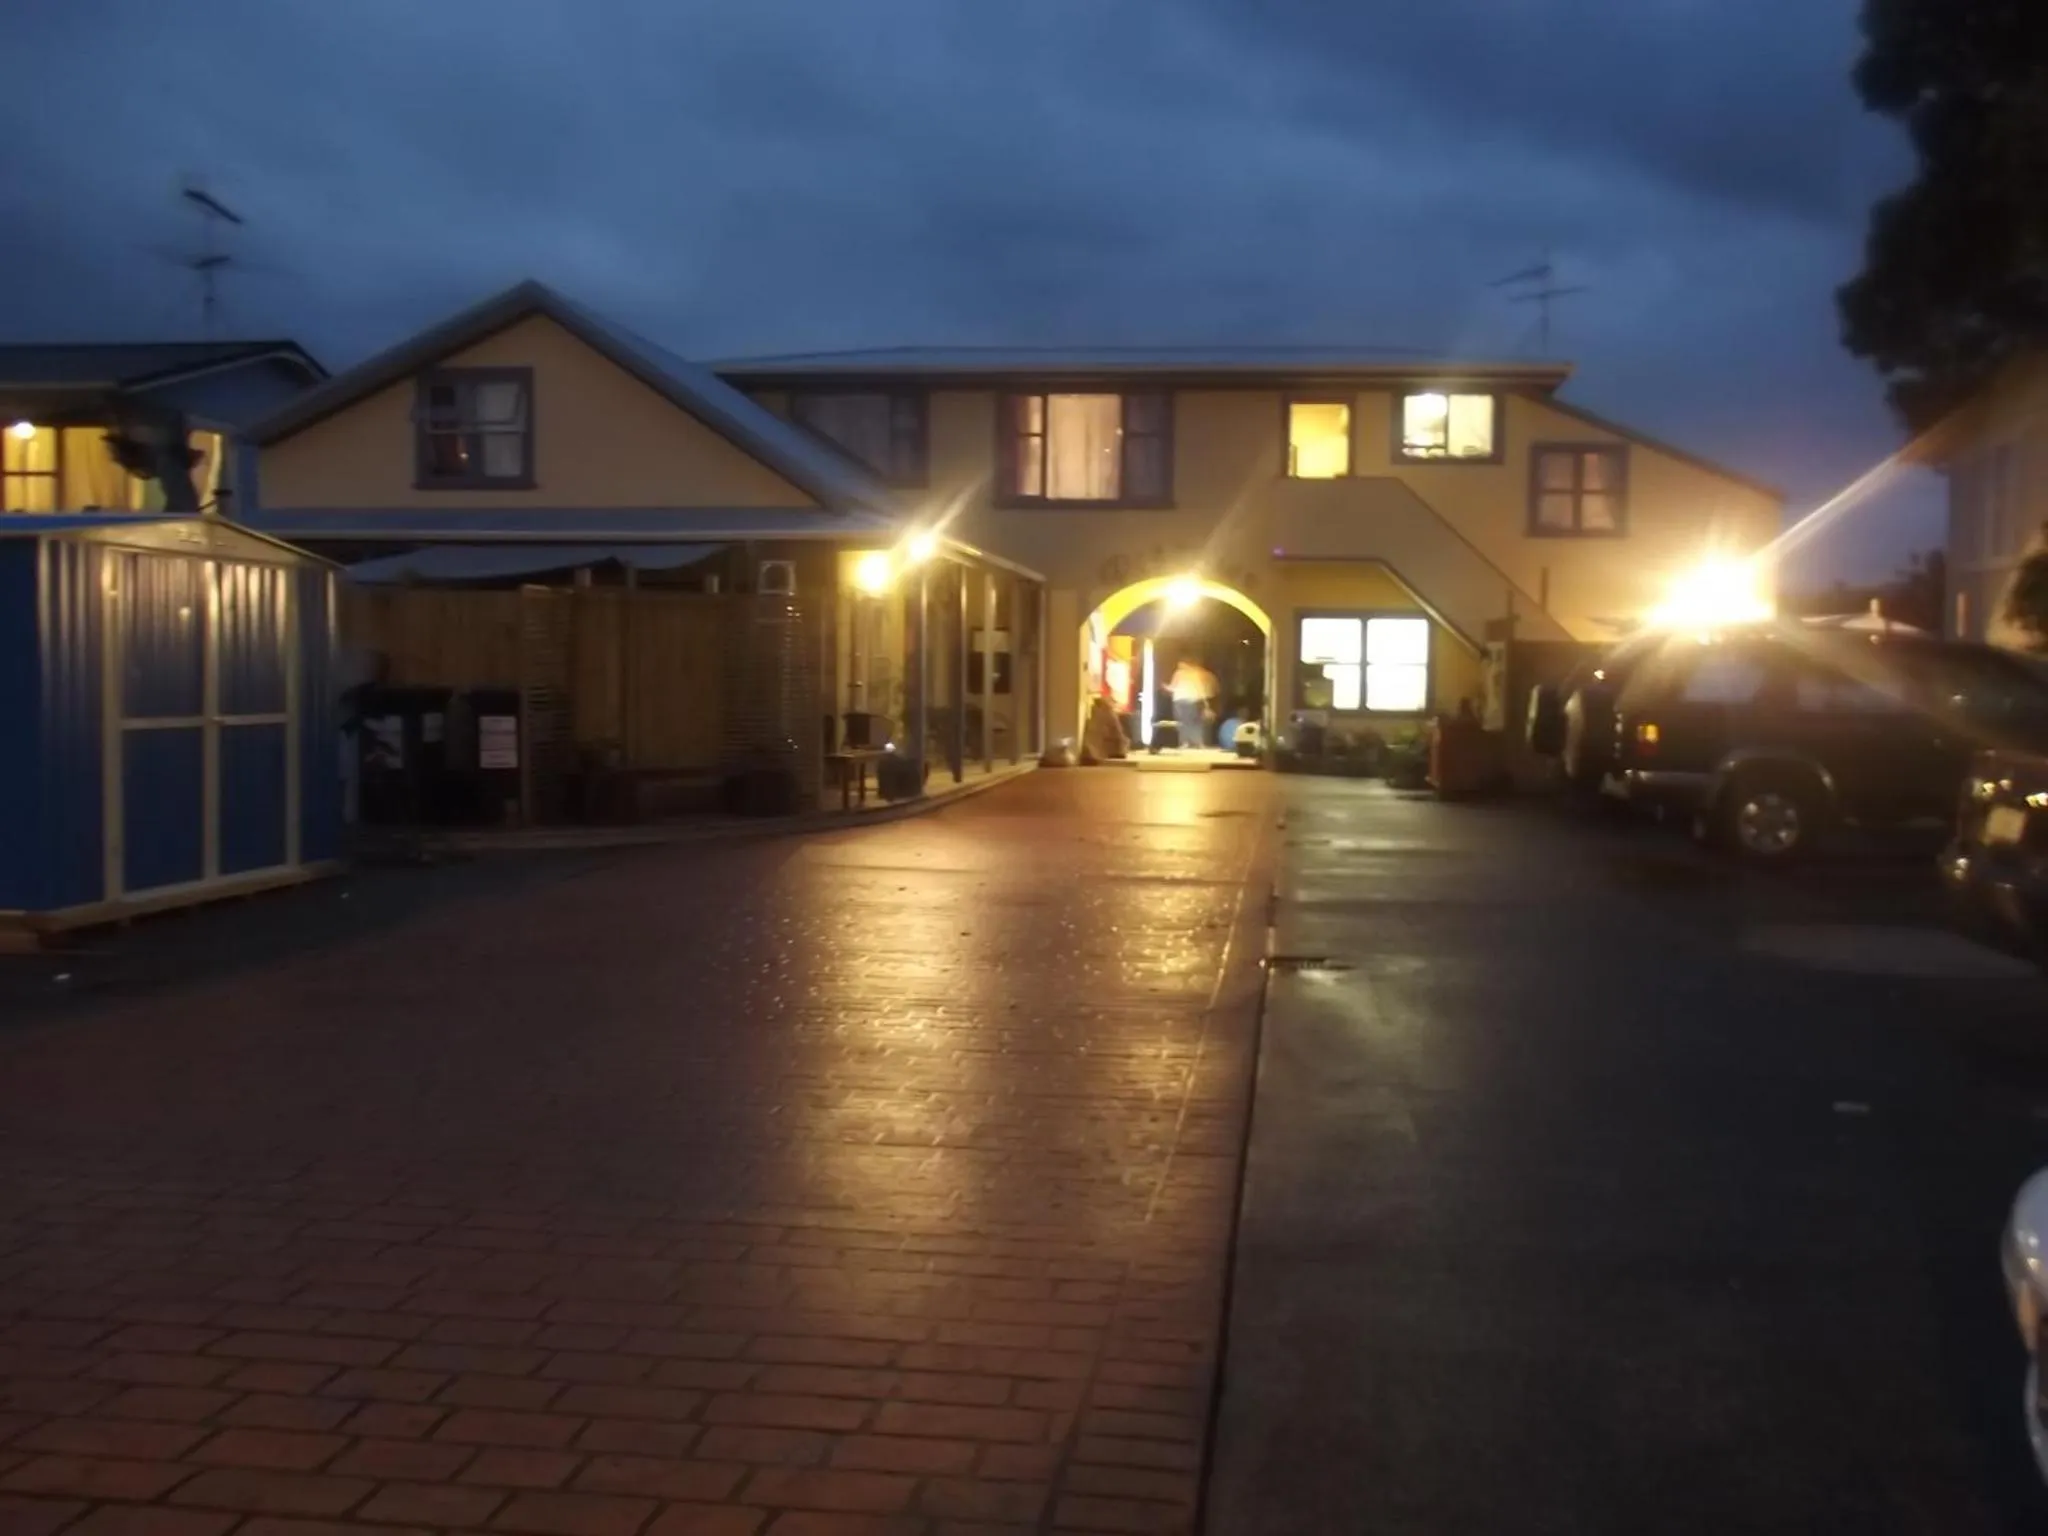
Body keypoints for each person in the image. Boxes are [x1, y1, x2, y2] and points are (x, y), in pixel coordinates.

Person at [1169, 658, 1214, 749]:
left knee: (1183, 722)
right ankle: (1199, 742)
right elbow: (1200, 689)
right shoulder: (1195, 673)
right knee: (1195, 722)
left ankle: (1185, 742)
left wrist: (1165, 687)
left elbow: (1172, 687)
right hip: (1192, 700)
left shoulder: (1179, 673)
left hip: (1180, 700)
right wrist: (1206, 703)